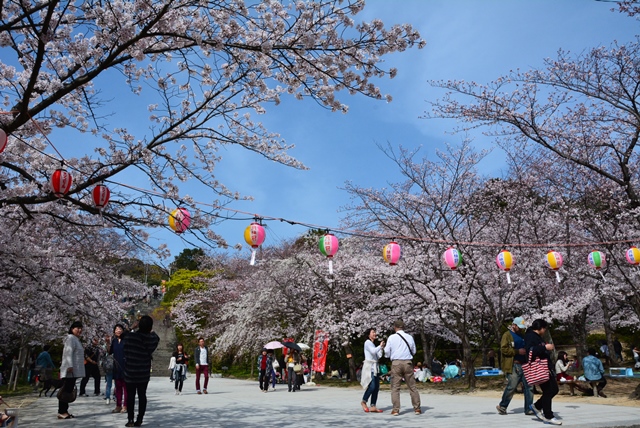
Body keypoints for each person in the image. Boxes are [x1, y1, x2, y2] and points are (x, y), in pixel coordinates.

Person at [123, 315, 159, 427]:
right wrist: (150, 330)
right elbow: (156, 336)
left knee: (130, 395)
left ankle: (130, 420)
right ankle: (140, 419)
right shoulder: (153, 339)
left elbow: (123, 335)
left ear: (139, 325)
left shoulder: (131, 337)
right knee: (142, 395)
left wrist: (132, 327)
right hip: (143, 372)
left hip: (130, 371)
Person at [525, 319, 561, 426]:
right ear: (541, 328)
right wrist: (545, 347)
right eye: (544, 329)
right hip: (539, 368)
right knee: (549, 390)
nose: (545, 331)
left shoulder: (536, 336)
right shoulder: (530, 336)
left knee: (553, 389)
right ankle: (548, 416)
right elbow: (530, 350)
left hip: (545, 367)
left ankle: (537, 406)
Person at [496, 317, 533, 416]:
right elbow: (503, 349)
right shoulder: (507, 335)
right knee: (512, 386)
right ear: (514, 325)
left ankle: (529, 408)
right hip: (513, 364)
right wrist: (517, 351)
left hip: (524, 364)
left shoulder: (522, 335)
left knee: (529, 386)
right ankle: (502, 406)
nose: (520, 329)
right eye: (518, 327)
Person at [384, 319, 421, 416]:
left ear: (394, 327)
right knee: (412, 386)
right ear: (403, 327)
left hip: (396, 363)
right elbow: (414, 351)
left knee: (395, 387)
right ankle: (417, 408)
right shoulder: (409, 337)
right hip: (408, 362)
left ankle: (396, 409)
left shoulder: (391, 338)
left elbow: (387, 353)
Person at [58, 321, 85, 420]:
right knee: (65, 390)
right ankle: (62, 411)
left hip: (73, 370)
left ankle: (65, 411)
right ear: (72, 328)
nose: (79, 330)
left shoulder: (75, 339)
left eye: (81, 328)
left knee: (68, 390)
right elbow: (68, 352)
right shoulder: (70, 338)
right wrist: (69, 365)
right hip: (70, 369)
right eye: (77, 328)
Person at [360, 328, 385, 413]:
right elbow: (373, 352)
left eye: (375, 332)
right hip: (370, 367)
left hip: (375, 367)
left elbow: (378, 356)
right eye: (373, 332)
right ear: (369, 334)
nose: (375, 334)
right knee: (372, 386)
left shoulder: (373, 344)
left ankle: (373, 405)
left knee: (376, 387)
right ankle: (364, 401)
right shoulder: (367, 342)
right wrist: (379, 346)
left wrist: (381, 348)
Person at [109, 324, 128, 414]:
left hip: (125, 366)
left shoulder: (126, 340)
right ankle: (118, 405)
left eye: (120, 329)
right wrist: (107, 342)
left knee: (126, 388)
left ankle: (125, 405)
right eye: (116, 329)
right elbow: (110, 352)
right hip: (116, 367)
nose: (118, 330)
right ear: (114, 331)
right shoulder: (114, 341)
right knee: (118, 387)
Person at [101, 335, 115, 405]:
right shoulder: (115, 345)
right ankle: (110, 397)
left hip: (109, 366)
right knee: (112, 383)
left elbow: (102, 357)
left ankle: (108, 397)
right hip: (111, 366)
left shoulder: (104, 346)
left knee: (110, 383)